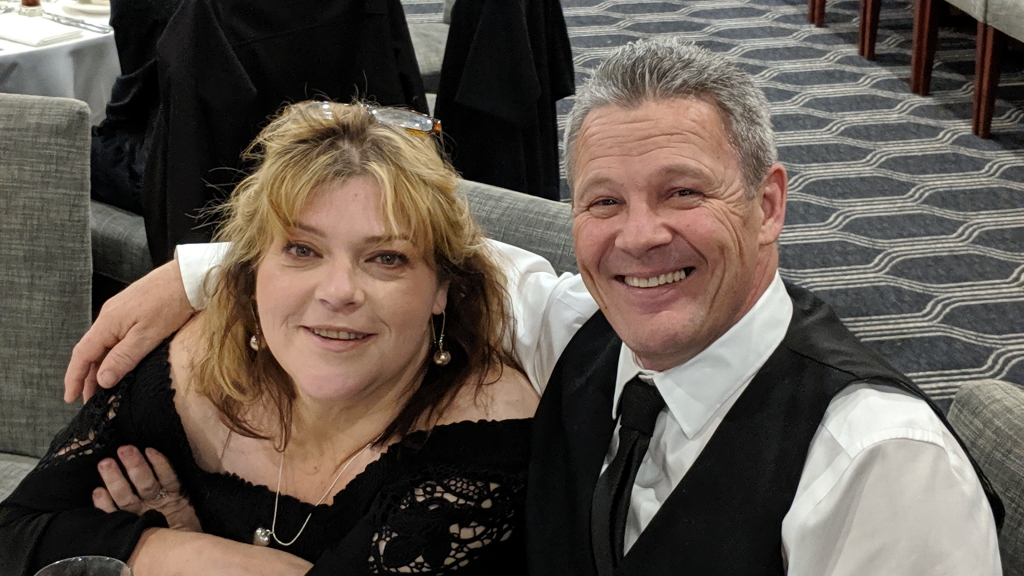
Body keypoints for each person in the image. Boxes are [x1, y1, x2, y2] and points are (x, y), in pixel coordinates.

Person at [62, 40, 1003, 575]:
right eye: (603, 202)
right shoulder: (587, 336)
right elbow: (441, 260)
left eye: (682, 193)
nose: (639, 237)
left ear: (767, 205)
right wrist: (210, 270)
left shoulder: (879, 462)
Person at [1, 101, 537, 576]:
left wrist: (158, 550)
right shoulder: (192, 362)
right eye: (302, 250)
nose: (339, 291)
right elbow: (15, 535)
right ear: (252, 268)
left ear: (443, 289)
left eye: (387, 258)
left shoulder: (481, 440)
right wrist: (182, 551)